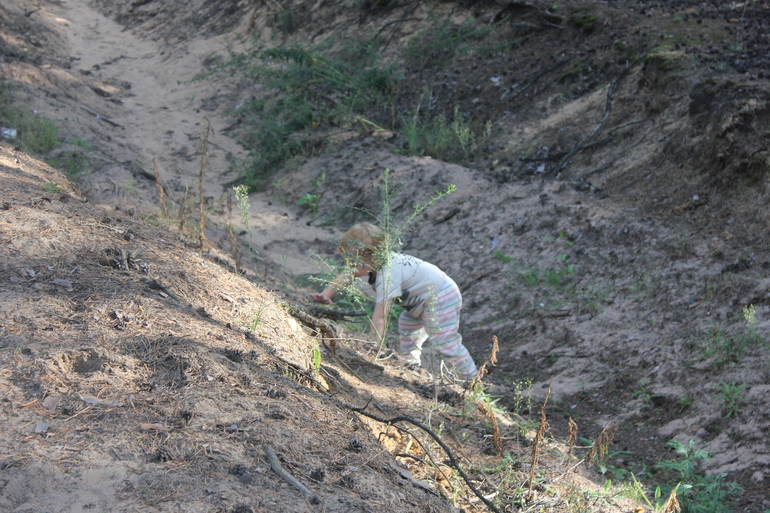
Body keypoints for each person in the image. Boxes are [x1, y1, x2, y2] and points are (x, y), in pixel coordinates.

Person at [311, 222, 478, 380]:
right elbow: (347, 274)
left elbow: (380, 316)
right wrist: (326, 294)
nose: (350, 265)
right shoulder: (373, 263)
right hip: (421, 301)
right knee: (407, 324)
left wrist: (372, 345)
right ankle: (411, 365)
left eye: (353, 261)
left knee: (445, 344)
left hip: (441, 296)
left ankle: (473, 380)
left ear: (373, 258)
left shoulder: (388, 275)